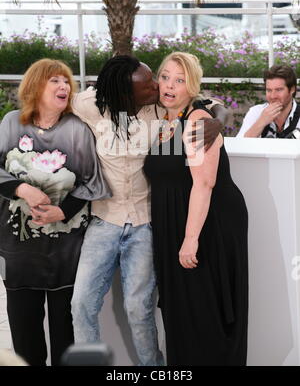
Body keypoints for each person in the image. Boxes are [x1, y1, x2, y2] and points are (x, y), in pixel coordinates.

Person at [71, 54, 226, 366]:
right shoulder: (91, 104)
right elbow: (56, 102)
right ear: (126, 94)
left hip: (145, 223)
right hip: (105, 220)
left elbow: (207, 105)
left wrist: (218, 121)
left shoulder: (160, 108)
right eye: (148, 85)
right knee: (80, 305)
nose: (158, 86)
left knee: (138, 308)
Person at [0, 59, 110, 366]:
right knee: (24, 331)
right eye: (55, 81)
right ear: (36, 85)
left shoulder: (77, 129)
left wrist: (61, 212)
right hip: (18, 248)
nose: (64, 87)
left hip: (67, 247)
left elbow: (92, 181)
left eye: (66, 81)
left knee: (67, 330)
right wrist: (22, 189)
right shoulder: (11, 123)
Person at [143, 52, 248, 366]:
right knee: (182, 311)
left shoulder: (197, 120)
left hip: (207, 224)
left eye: (179, 80)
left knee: (204, 311)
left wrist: (190, 239)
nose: (170, 86)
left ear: (191, 86)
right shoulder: (166, 119)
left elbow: (204, 183)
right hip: (177, 221)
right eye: (165, 77)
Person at [237, 65, 300, 138]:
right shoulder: (256, 112)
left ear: (292, 89)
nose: (273, 96)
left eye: (279, 90)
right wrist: (261, 122)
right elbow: (239, 146)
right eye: (269, 90)